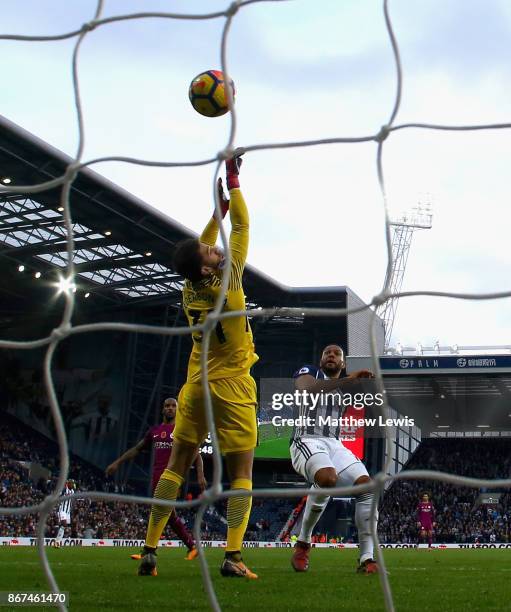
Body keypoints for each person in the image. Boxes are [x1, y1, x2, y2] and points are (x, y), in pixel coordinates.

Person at [137, 155, 259, 579]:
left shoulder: (189, 289)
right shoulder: (231, 279)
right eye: (212, 250)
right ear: (209, 267)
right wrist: (234, 179)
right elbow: (243, 226)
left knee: (176, 466)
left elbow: (198, 248)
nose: (217, 247)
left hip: (194, 387)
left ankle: (150, 550)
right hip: (233, 387)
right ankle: (233, 556)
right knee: (242, 471)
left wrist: (213, 216)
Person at [289, 344, 379, 574]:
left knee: (367, 487)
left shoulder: (347, 388)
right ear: (320, 360)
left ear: (343, 363)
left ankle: (366, 558)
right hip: (306, 439)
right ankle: (304, 541)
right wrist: (350, 379)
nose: (331, 355)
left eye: (336, 353)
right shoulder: (308, 372)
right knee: (327, 477)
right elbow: (308, 389)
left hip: (334, 443)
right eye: (327, 352)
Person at [105, 397, 205, 560]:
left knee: (160, 512)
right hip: (156, 478)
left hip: (173, 478)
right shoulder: (155, 431)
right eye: (167, 406)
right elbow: (137, 449)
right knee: (168, 515)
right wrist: (117, 463)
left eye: (173, 406)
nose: (170, 408)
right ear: (162, 409)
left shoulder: (181, 431)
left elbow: (197, 455)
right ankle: (192, 546)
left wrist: (200, 475)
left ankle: (149, 551)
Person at [54, 479, 76, 548]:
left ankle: (57, 542)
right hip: (62, 510)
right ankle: (57, 542)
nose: (73, 485)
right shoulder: (64, 490)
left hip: (67, 512)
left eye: (73, 483)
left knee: (64, 526)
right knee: (64, 524)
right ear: (68, 484)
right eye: (72, 483)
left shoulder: (72, 491)